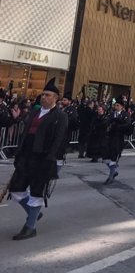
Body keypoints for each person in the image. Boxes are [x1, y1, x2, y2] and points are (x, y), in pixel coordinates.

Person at [8, 79, 68, 240]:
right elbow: (25, 133)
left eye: (47, 95)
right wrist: (19, 152)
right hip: (26, 156)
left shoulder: (60, 116)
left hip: (43, 159)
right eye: (43, 94)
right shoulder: (34, 112)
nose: (43, 97)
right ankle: (33, 213)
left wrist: (51, 158)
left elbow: (59, 139)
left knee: (36, 193)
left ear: (55, 98)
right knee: (16, 190)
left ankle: (30, 227)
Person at [104, 97, 132, 185]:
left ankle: (110, 177)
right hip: (110, 137)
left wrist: (118, 124)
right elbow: (107, 122)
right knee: (105, 158)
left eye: (117, 105)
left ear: (122, 107)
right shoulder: (112, 114)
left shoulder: (125, 115)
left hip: (118, 138)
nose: (115, 107)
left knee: (113, 158)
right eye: (115, 105)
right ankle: (114, 171)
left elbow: (127, 124)